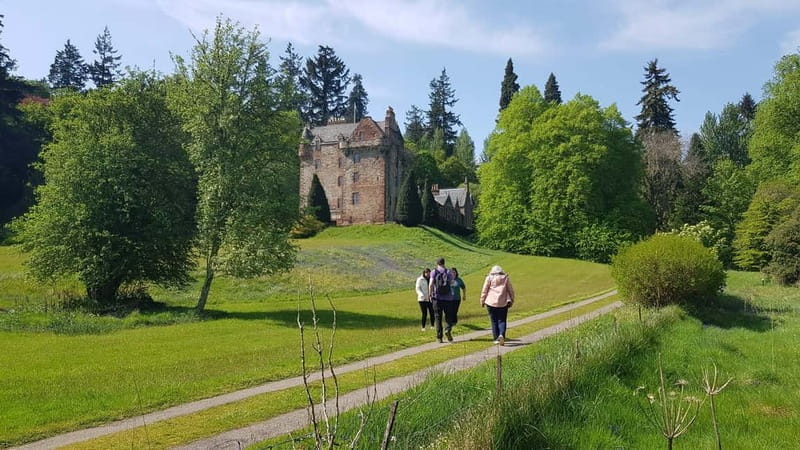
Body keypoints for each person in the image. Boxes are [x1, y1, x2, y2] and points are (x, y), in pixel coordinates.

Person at [479, 265, 515, 346]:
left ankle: (496, 338)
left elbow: (484, 290)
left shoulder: (489, 278)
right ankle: (501, 334)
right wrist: (512, 299)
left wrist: (482, 300)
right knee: (502, 320)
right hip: (503, 303)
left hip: (490, 302)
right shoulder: (505, 278)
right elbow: (511, 290)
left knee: (494, 320)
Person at [429, 257, 458, 343]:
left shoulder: (434, 272)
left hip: (437, 298)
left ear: (437, 263)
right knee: (448, 316)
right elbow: (453, 283)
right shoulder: (448, 272)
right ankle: (448, 329)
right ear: (444, 263)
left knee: (438, 317)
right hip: (448, 298)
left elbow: (431, 284)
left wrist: (430, 294)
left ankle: (439, 337)